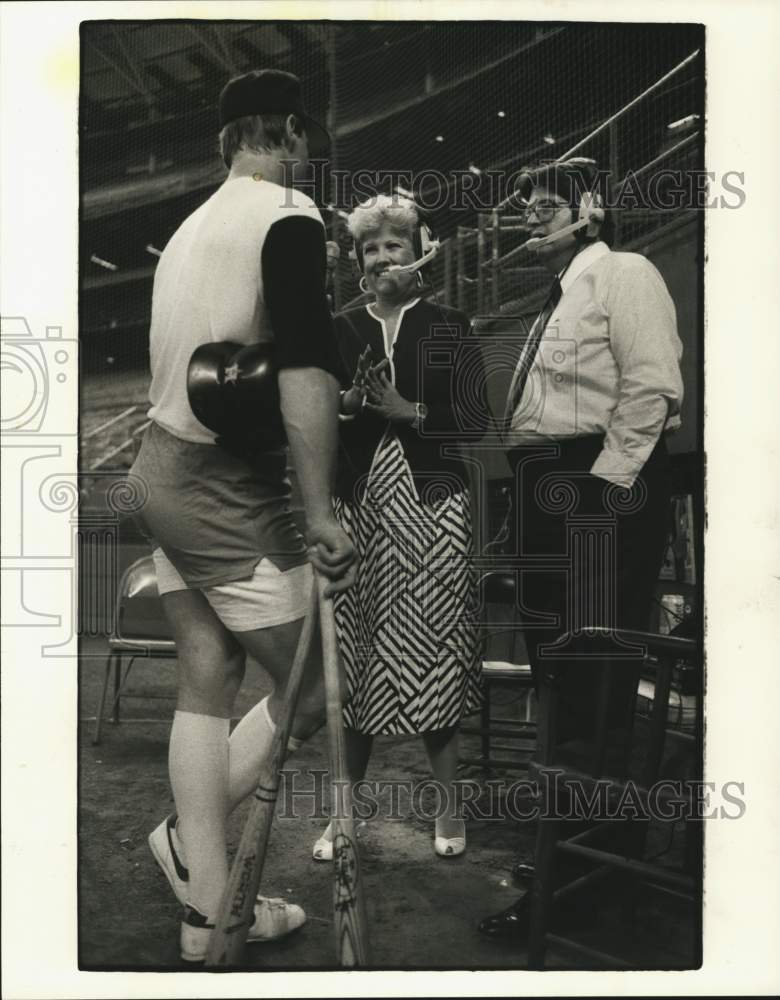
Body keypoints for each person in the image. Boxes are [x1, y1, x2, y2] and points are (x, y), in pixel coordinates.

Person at [128, 69, 356, 963]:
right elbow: (303, 369)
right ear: (295, 134)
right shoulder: (287, 214)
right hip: (217, 484)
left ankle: (207, 906)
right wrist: (321, 509)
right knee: (309, 697)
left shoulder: (191, 225)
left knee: (208, 672)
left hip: (158, 466)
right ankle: (197, 858)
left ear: (228, 141)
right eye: (310, 145)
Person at [478, 158, 684, 938]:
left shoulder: (623, 272)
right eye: (527, 202)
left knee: (594, 684)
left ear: (592, 208)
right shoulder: (556, 295)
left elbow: (652, 385)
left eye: (548, 202)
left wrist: (600, 496)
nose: (531, 213)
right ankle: (573, 852)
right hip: (546, 489)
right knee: (558, 680)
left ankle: (594, 878)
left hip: (595, 487)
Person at [309, 194, 487, 863]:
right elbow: (318, 417)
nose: (384, 257)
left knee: (436, 653)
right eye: (371, 248)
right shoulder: (341, 327)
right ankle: (344, 817)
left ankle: (448, 808)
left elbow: (471, 420)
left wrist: (407, 409)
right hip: (359, 509)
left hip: (433, 508)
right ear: (358, 260)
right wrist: (352, 404)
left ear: (419, 251)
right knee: (353, 661)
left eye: (395, 245)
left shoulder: (449, 323)